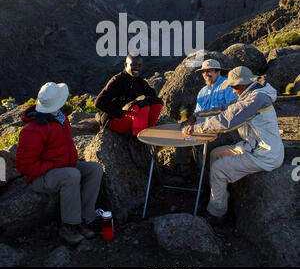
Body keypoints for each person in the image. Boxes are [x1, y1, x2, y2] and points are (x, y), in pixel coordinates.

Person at [182, 66, 284, 224]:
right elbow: (225, 109)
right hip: (253, 146)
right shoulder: (249, 95)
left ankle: (217, 212)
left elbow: (227, 120)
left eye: (233, 87)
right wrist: (196, 116)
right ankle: (219, 193)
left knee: (218, 168)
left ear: (241, 85)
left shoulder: (256, 99)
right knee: (216, 154)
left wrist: (196, 128)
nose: (232, 90)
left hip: (265, 154)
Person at [16, 82, 104, 245]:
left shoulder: (60, 117)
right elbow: (24, 166)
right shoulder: (32, 130)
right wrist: (53, 166)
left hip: (63, 167)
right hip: (40, 177)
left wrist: (62, 164)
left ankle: (85, 217)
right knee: (72, 175)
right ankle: (69, 226)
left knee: (95, 169)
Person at [176, 59, 237, 175]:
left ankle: (206, 176)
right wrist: (189, 121)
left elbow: (231, 110)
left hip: (222, 127)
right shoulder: (202, 91)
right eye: (203, 72)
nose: (205, 74)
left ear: (218, 72)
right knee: (183, 136)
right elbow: (197, 112)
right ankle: (182, 169)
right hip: (203, 127)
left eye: (209, 71)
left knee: (208, 145)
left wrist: (220, 129)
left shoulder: (228, 87)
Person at [94, 54, 163, 136]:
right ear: (126, 65)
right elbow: (98, 102)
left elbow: (152, 95)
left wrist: (135, 103)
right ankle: (139, 136)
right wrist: (121, 112)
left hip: (127, 117)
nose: (137, 68)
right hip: (113, 121)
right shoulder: (117, 81)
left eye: (139, 65)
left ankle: (149, 129)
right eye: (133, 65)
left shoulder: (139, 82)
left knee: (157, 102)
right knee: (142, 105)